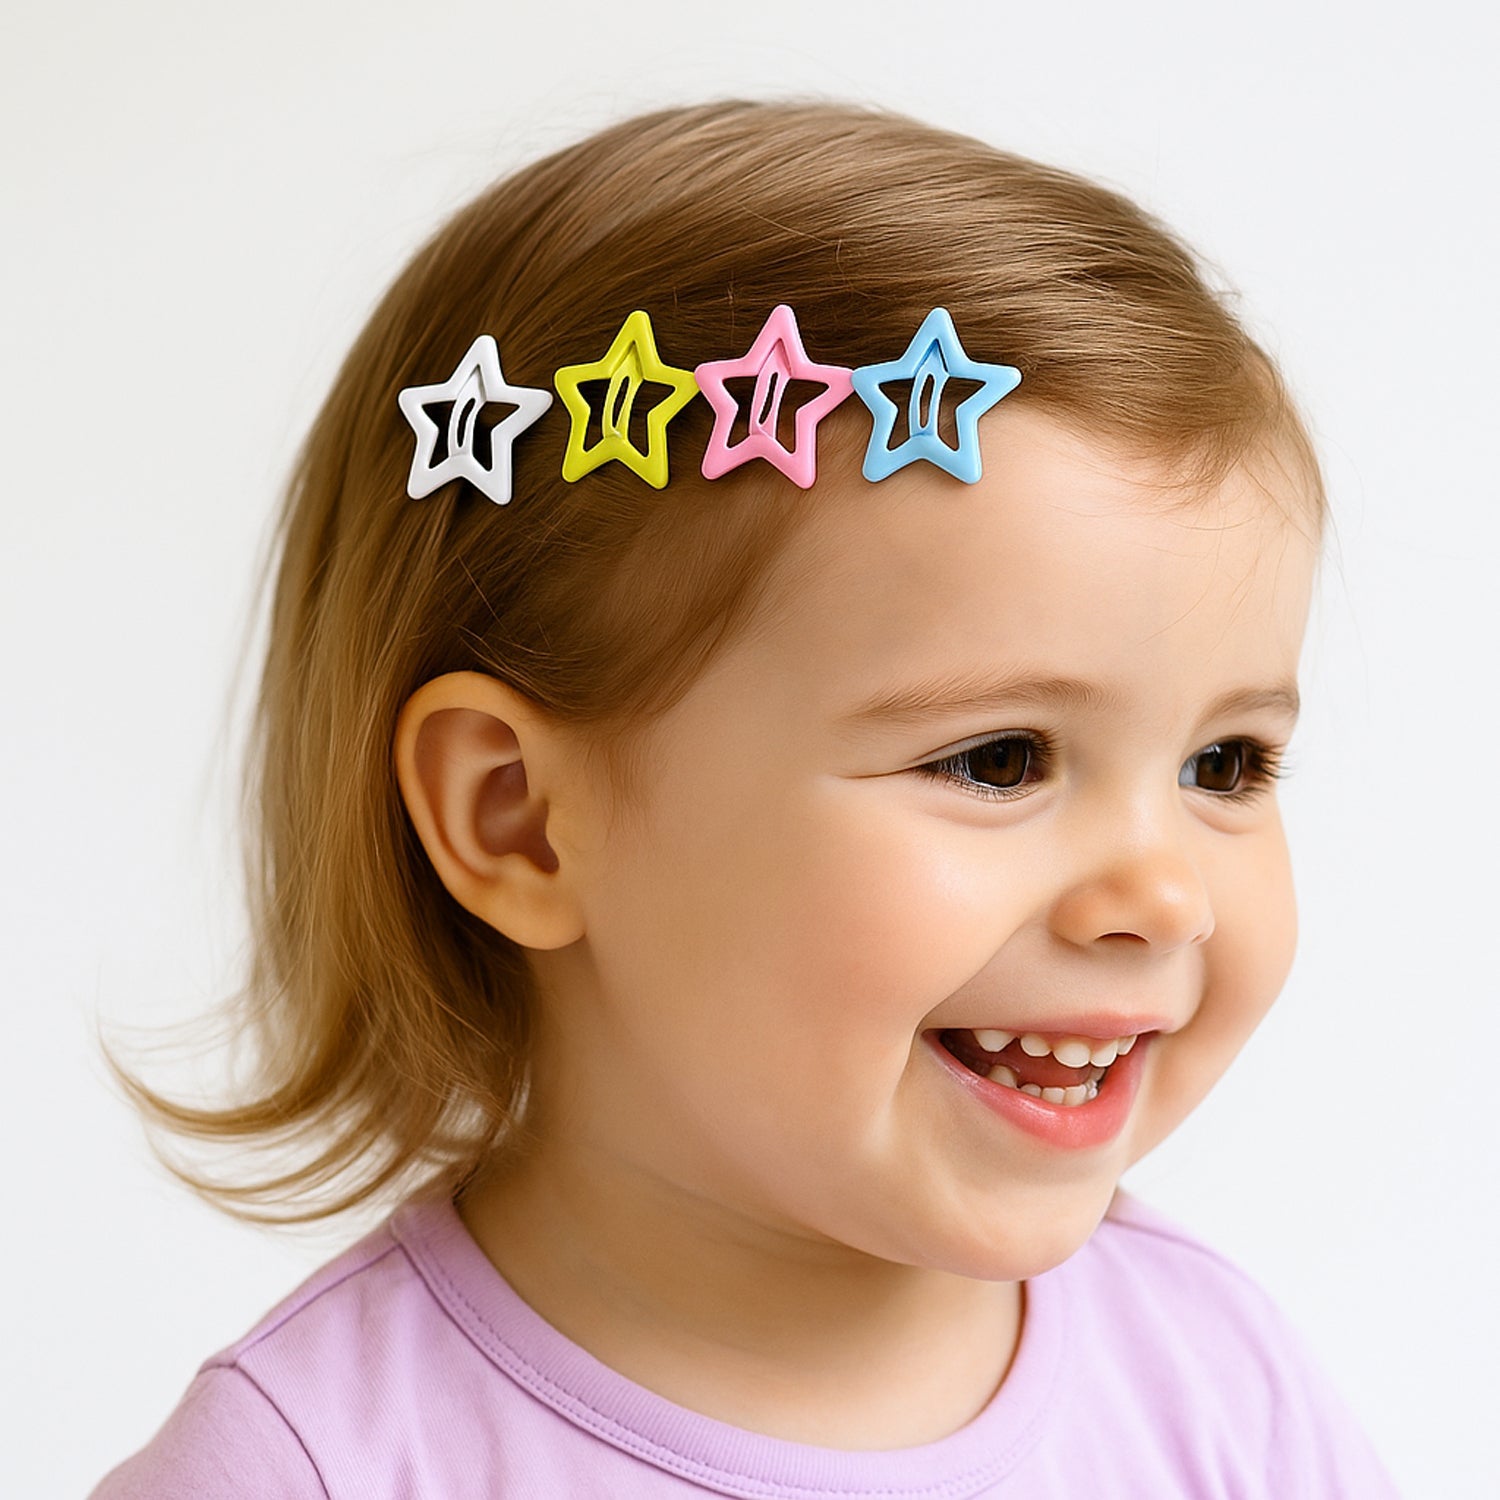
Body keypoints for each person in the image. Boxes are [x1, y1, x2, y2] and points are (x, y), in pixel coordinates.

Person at [92, 100, 1400, 1496]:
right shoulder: (308, 1470)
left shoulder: (1223, 1390)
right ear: (517, 817)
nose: (1167, 896)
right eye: (998, 759)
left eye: (1225, 766)